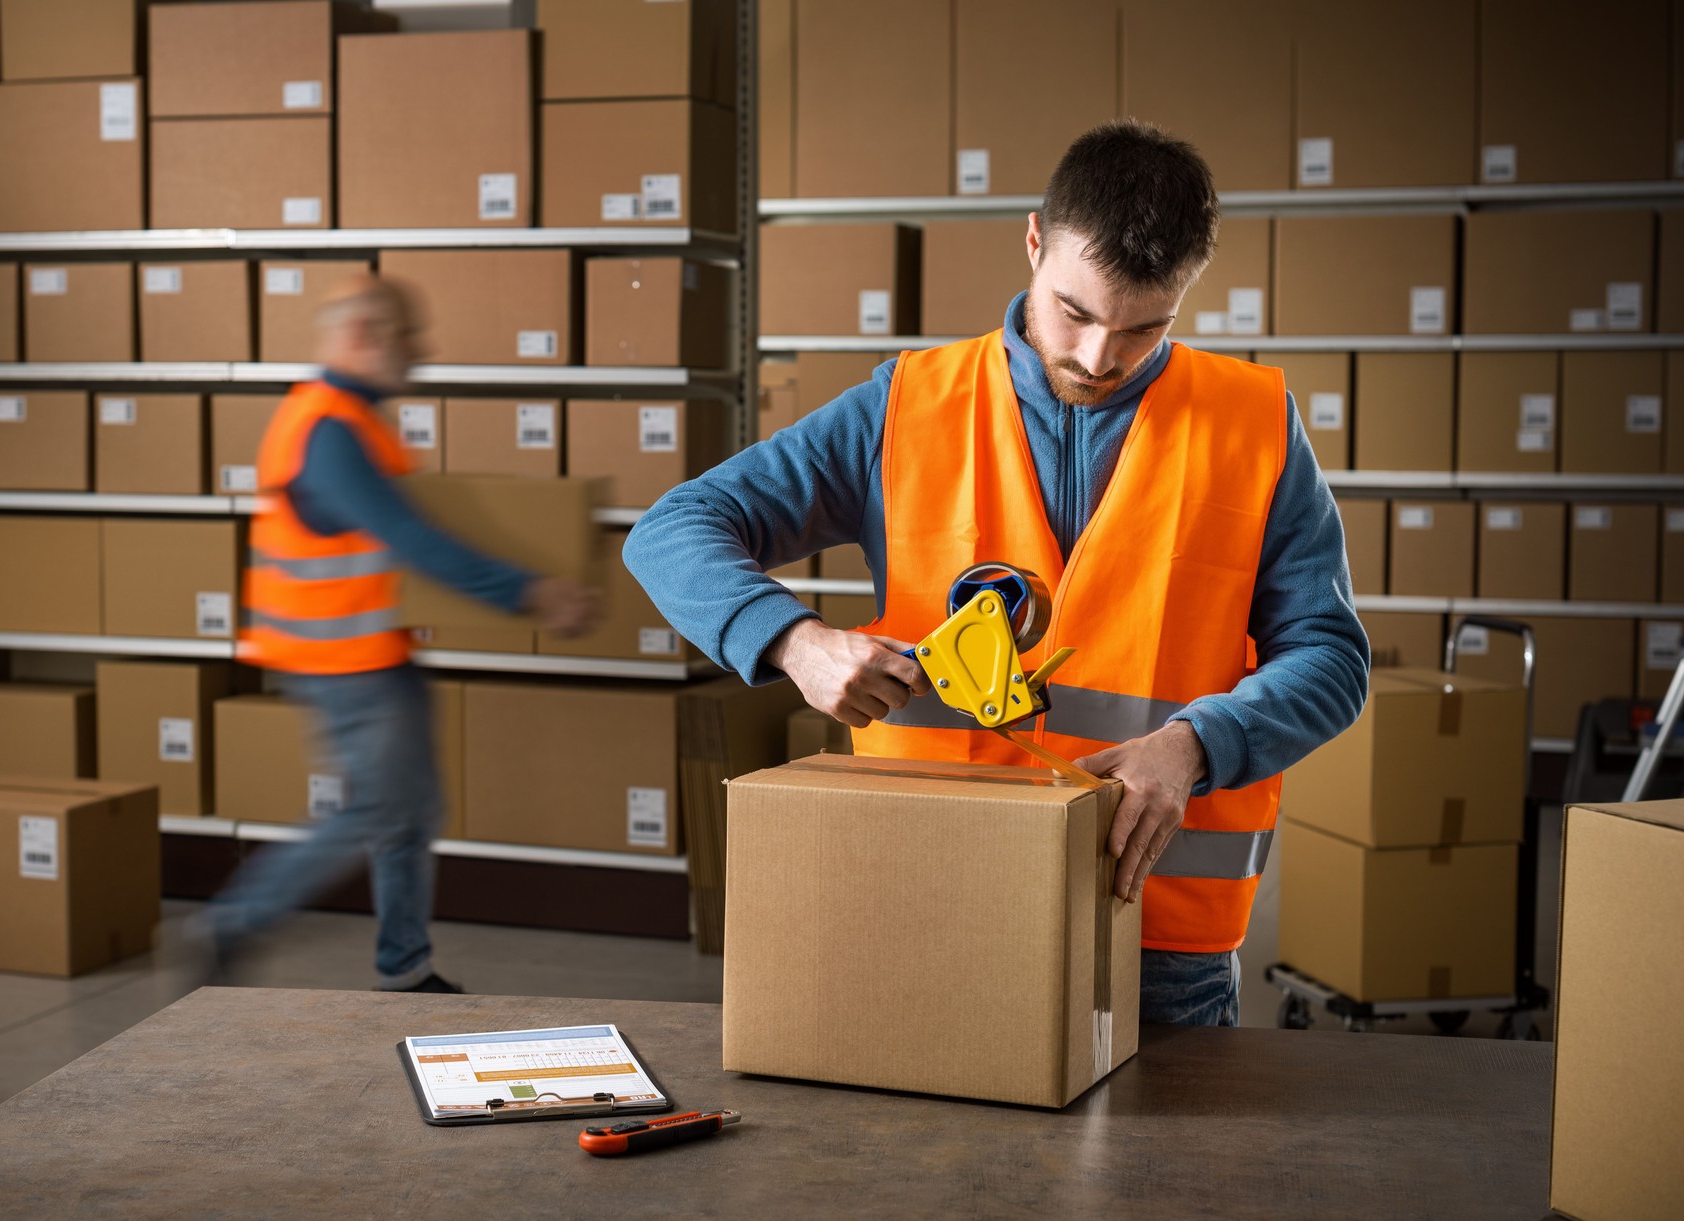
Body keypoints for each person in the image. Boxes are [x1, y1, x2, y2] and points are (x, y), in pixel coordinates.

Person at [624, 120, 1369, 1027]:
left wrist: (1196, 744)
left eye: (1145, 328)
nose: (1098, 359)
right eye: (1077, 312)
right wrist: (793, 639)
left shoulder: (1253, 425)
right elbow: (672, 529)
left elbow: (1331, 657)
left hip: (1157, 935)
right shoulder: (904, 409)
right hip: (935, 900)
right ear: (1032, 242)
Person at [210, 274, 597, 992]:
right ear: (364, 335)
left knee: (408, 810)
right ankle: (237, 919)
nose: (422, 350)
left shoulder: (349, 419)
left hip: (369, 647)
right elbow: (414, 540)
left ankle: (403, 964)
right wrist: (531, 591)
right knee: (384, 807)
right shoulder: (328, 430)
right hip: (338, 654)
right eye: (409, 334)